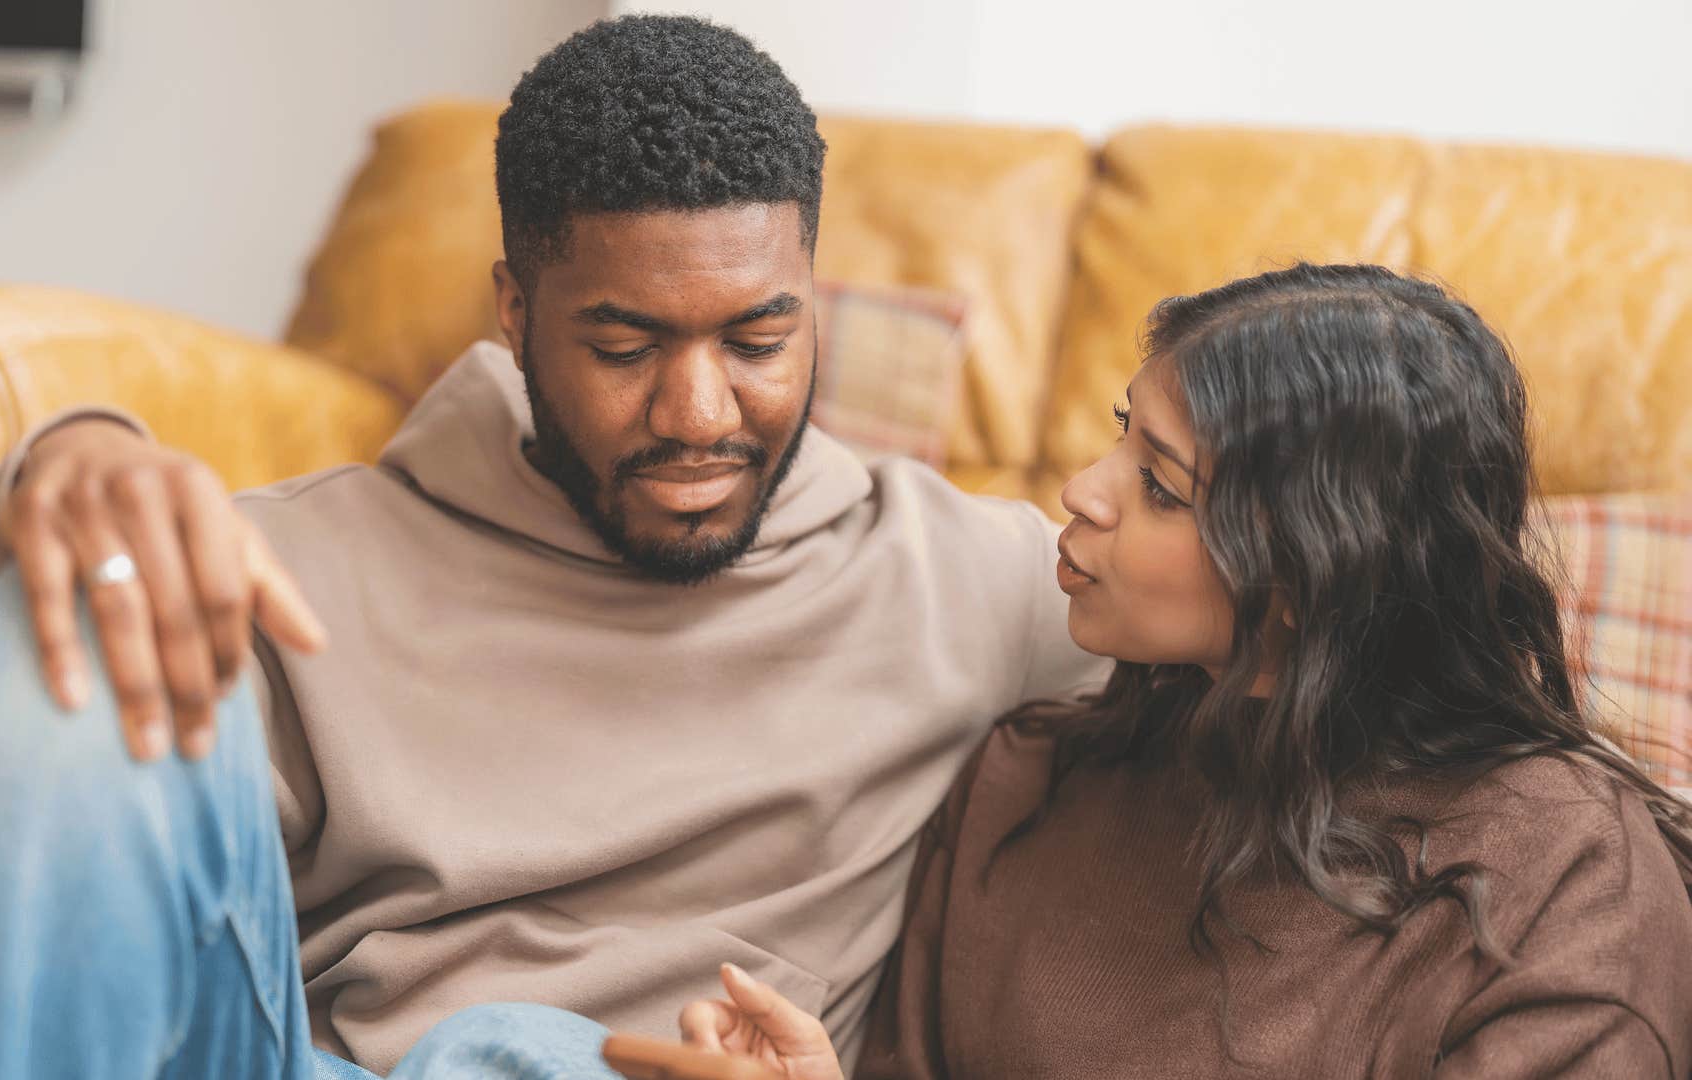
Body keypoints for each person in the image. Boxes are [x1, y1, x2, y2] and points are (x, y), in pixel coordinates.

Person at [0, 14, 1102, 1080]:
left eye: (758, 342)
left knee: (529, 1048)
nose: (701, 416)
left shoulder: (960, 577)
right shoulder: (326, 555)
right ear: (516, 313)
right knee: (77, 625)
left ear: (812, 298)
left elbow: (1263, 628)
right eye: (624, 349)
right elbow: (12, 726)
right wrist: (63, 465)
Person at [672, 264, 1692, 1077]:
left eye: (1161, 486)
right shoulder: (1024, 785)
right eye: (1125, 437)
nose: (1080, 491)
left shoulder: (1566, 875)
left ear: (1309, 572)